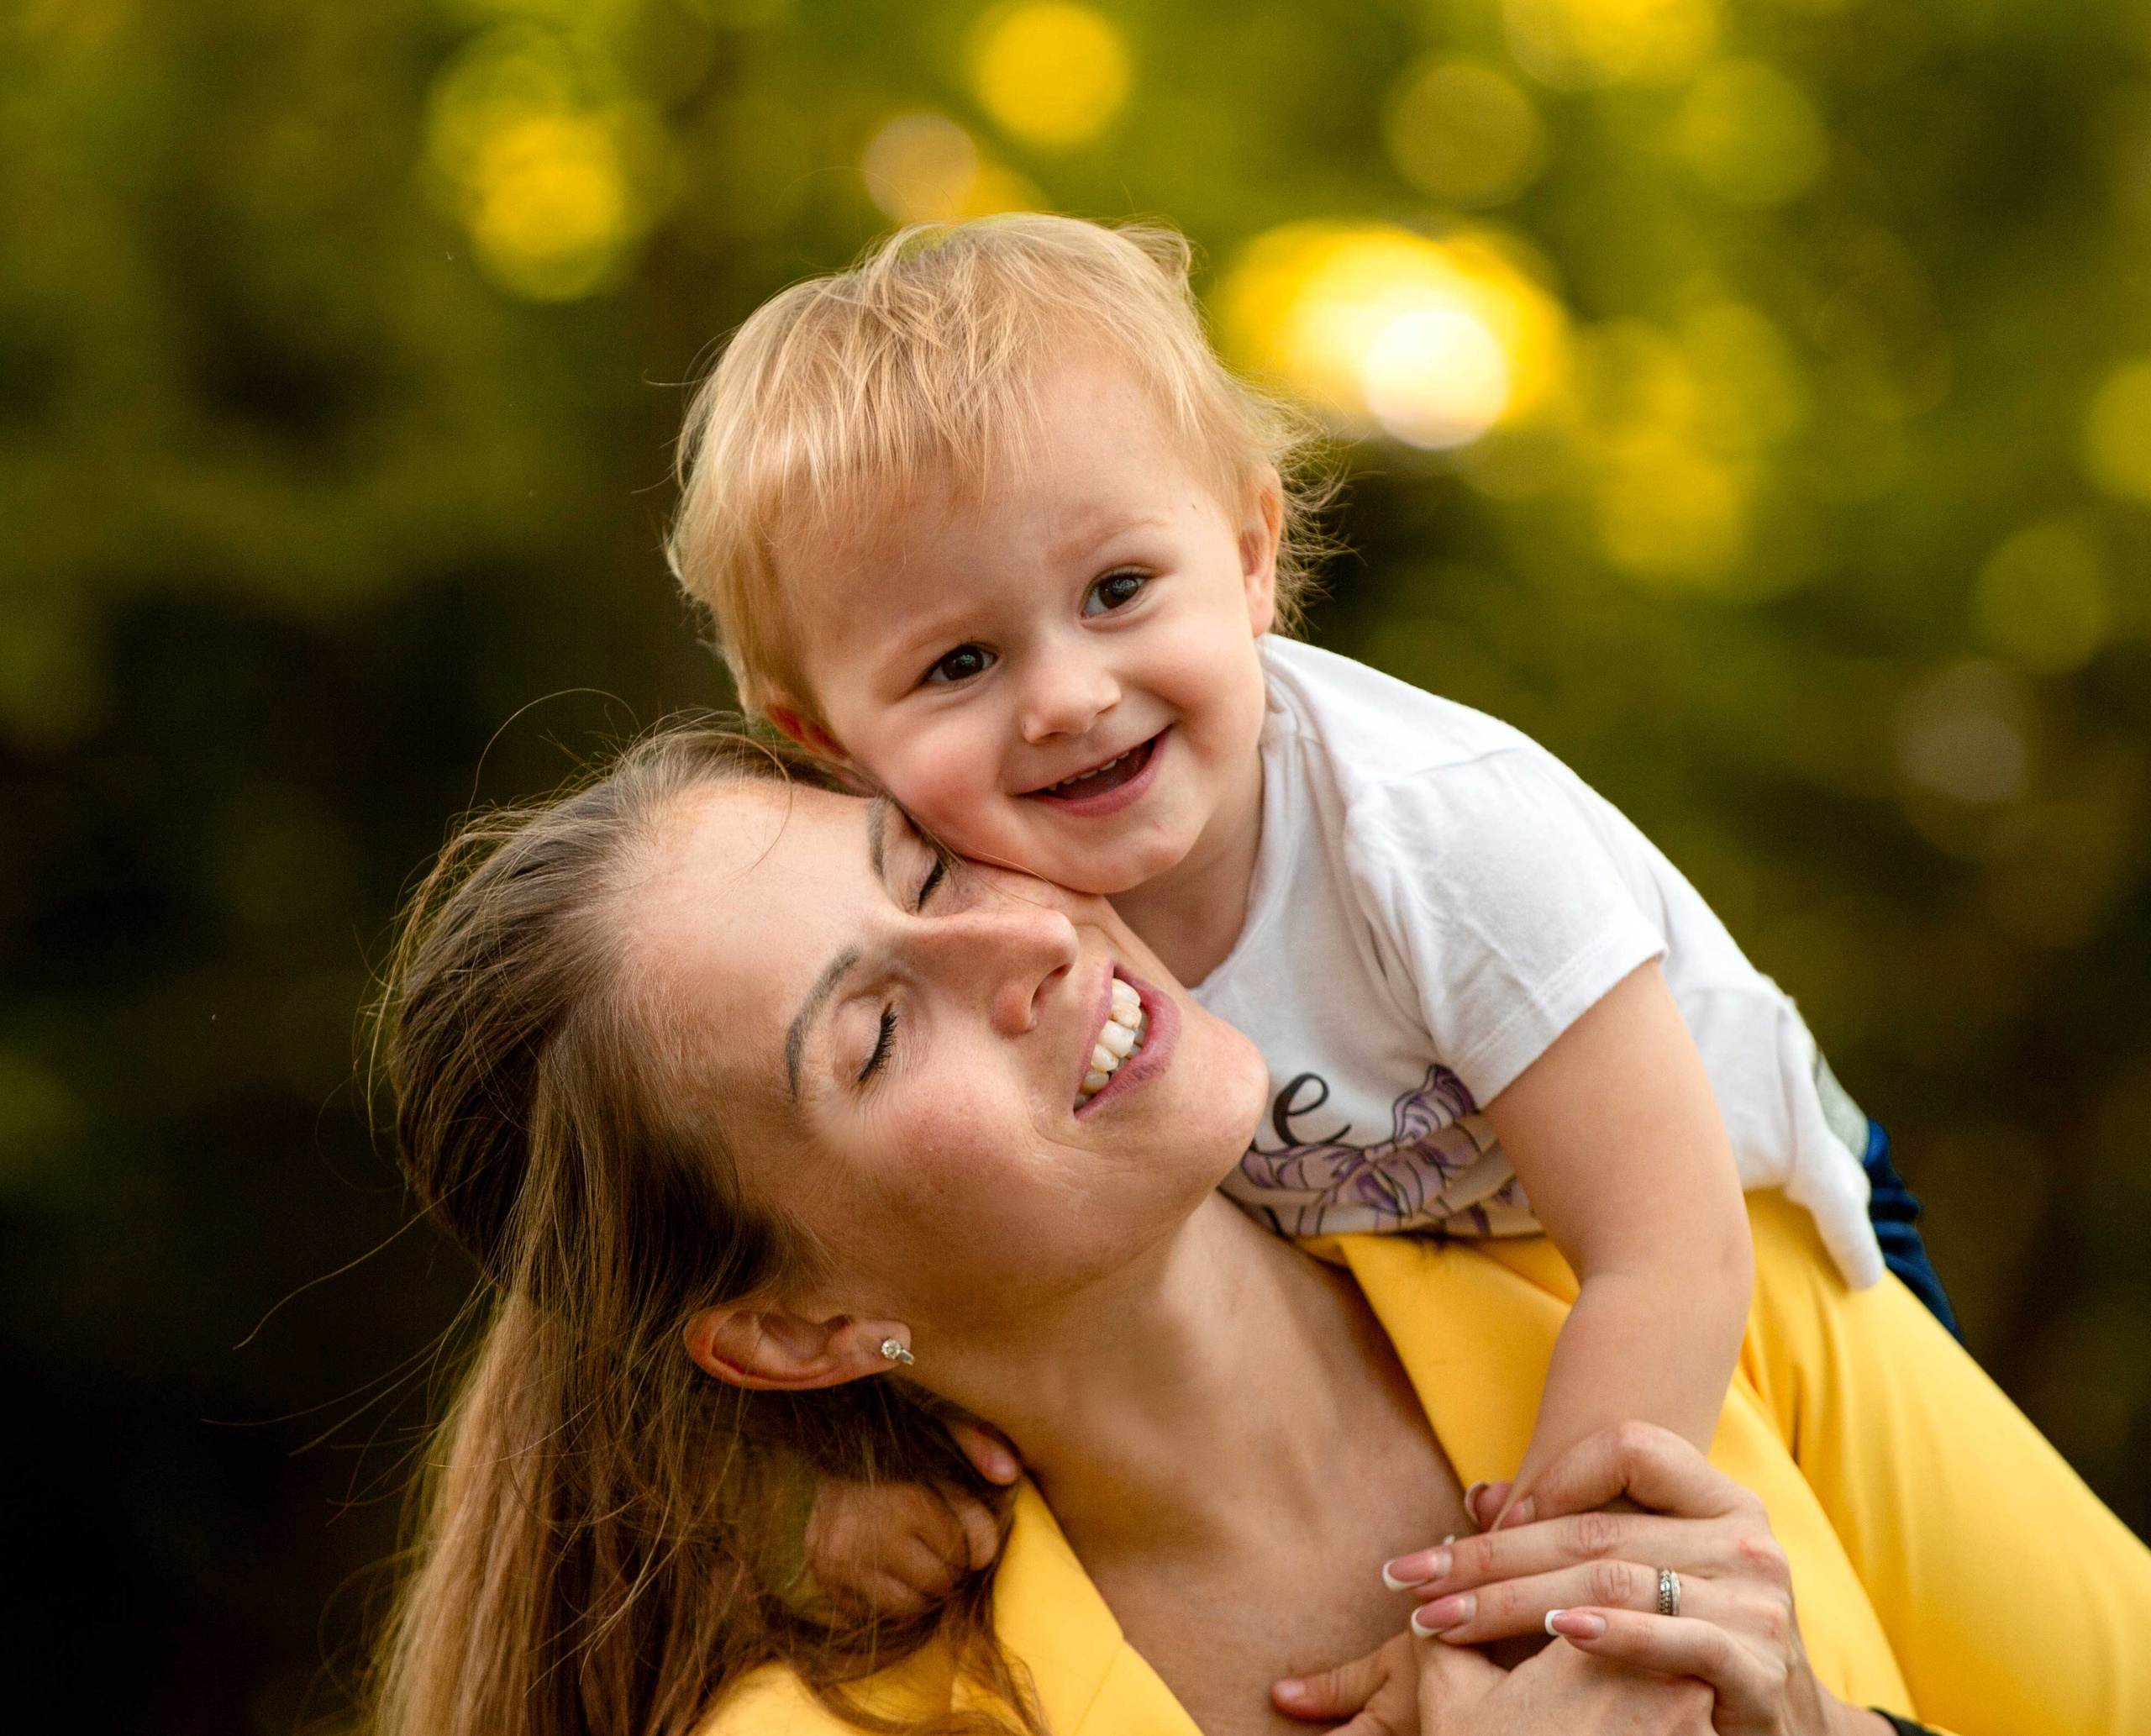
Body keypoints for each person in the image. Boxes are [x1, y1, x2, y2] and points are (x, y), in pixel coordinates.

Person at [364, 729, 2151, 1736]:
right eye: (876, 1028)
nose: (1027, 944)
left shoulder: (1706, 1273)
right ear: (796, 1324)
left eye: (925, 868)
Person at [661, 213, 1954, 1602]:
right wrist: (848, 1473)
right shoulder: (990, 933)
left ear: (1252, 552)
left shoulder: (1436, 835)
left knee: (1927, 1604)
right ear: (828, 743)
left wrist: (1526, 1609)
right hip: (1461, 1268)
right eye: (959, 660)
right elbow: (944, 1261)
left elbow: (1667, 1250)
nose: (1066, 696)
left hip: (1745, 1228)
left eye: (1116, 589)